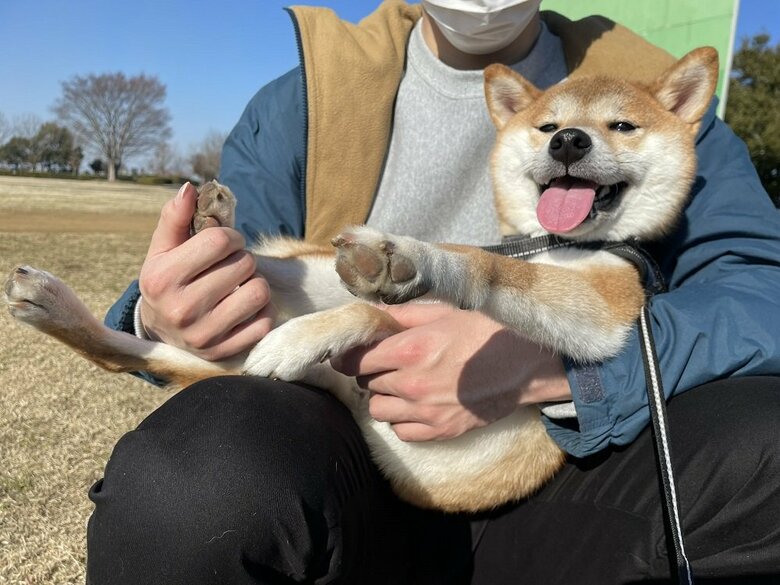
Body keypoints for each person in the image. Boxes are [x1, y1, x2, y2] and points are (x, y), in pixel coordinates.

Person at [90, 1, 780, 583]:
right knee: (183, 491)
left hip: (568, 465)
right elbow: (236, 264)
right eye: (551, 129)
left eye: (617, 130)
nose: (575, 140)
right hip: (337, 446)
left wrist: (560, 371)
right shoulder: (306, 96)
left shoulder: (657, 95)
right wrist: (158, 313)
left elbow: (762, 295)